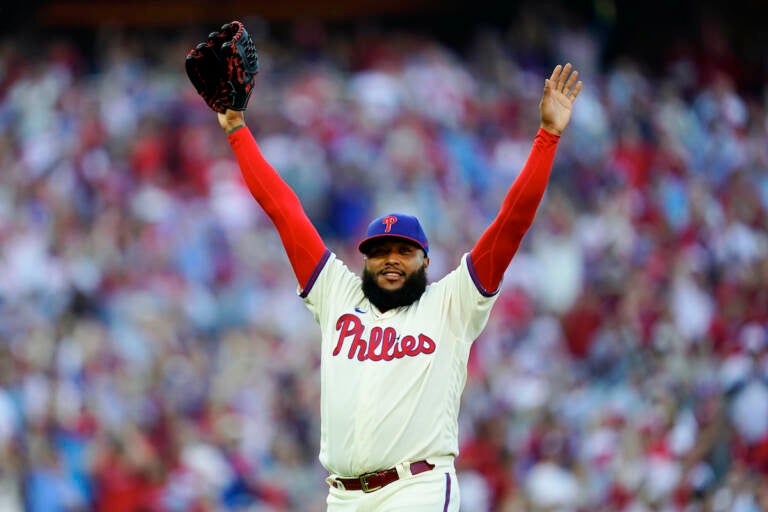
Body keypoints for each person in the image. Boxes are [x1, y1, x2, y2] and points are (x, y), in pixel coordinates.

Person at [216, 62, 581, 510]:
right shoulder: (337, 294)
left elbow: (512, 223)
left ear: (425, 260)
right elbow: (283, 209)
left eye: (404, 251)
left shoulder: (453, 301)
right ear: (364, 258)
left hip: (417, 488)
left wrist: (547, 137)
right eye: (380, 250)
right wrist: (236, 129)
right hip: (343, 496)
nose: (391, 259)